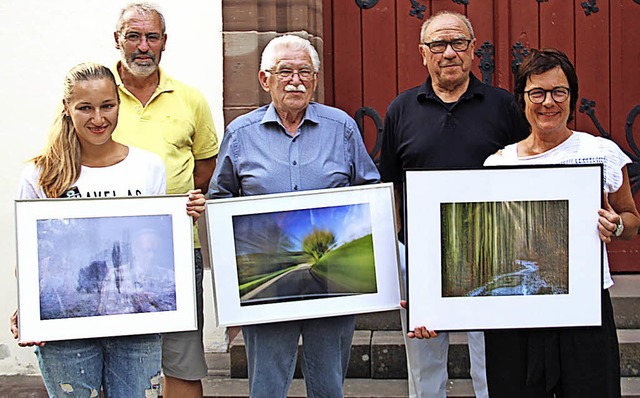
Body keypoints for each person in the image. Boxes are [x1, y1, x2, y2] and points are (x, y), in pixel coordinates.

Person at [9, 62, 206, 397]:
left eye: (107, 106)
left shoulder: (148, 167)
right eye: (85, 108)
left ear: (118, 104)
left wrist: (181, 215)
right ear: (67, 109)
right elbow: (31, 255)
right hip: (66, 327)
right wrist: (28, 305)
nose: (98, 119)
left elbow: (152, 243)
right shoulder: (39, 174)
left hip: (137, 323)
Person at [207, 34, 380, 398]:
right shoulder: (240, 134)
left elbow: (371, 193)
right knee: (267, 387)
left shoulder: (342, 128)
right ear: (264, 79)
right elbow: (219, 201)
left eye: (305, 72)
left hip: (334, 285)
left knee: (329, 385)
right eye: (285, 72)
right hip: (266, 286)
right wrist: (229, 286)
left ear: (316, 80)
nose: (296, 80)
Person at [378, 10, 530, 398]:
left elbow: (527, 173)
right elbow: (391, 185)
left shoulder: (502, 106)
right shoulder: (401, 108)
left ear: (473, 50)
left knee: (492, 360)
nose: (449, 53)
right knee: (424, 360)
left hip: (491, 253)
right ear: (423, 53)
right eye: (438, 45)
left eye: (458, 43)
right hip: (423, 254)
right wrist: (397, 254)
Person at [482, 48, 640, 397]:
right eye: (537, 93)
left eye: (559, 92)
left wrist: (615, 225)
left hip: (583, 307)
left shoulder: (601, 151)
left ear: (572, 98)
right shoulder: (498, 164)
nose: (548, 102)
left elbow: (631, 218)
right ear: (522, 100)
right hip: (516, 310)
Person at [111, 3, 219, 396]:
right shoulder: (98, 98)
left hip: (175, 247)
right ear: (117, 40)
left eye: (152, 37)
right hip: (112, 252)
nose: (143, 46)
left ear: (164, 42)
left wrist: (181, 203)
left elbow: (206, 164)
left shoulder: (190, 99)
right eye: (133, 36)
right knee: (115, 351)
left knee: (181, 359)